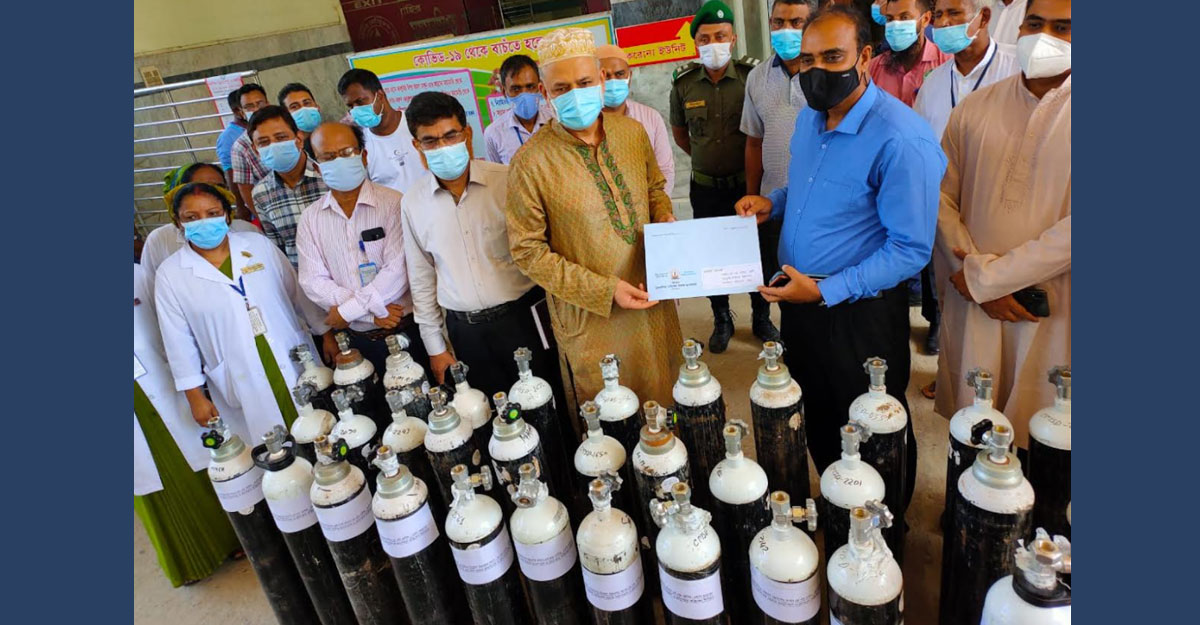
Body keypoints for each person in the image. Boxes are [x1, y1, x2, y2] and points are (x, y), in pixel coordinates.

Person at [735, 5, 946, 515]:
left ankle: (884, 528)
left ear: (865, 56)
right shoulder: (811, 120)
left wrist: (826, 290)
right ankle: (837, 506)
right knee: (821, 410)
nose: (817, 71)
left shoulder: (900, 139)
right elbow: (810, 189)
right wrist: (773, 202)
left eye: (833, 57)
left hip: (859, 312)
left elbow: (910, 248)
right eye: (808, 60)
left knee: (873, 424)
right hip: (801, 300)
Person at [505, 27, 683, 407]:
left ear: (601, 79)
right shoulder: (530, 163)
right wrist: (605, 290)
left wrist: (664, 216)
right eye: (561, 88)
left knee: (666, 393)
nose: (575, 94)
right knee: (610, 411)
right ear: (545, 94)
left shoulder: (632, 133)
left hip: (652, 293)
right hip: (592, 318)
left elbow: (654, 187)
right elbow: (527, 252)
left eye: (584, 82)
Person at [935, 0, 1070, 447]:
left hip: (1050, 305)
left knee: (1047, 434)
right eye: (1035, 23)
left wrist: (989, 279)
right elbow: (940, 197)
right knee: (974, 429)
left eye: (1063, 27)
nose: (1044, 36)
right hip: (972, 298)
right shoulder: (975, 108)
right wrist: (973, 274)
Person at [401, 91, 565, 401]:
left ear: (467, 134)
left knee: (548, 403)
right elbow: (421, 277)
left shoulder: (508, 181)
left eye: (450, 136)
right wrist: (435, 347)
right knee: (489, 413)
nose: (442, 147)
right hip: (466, 333)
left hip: (524, 319)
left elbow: (546, 248)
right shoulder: (413, 203)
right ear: (416, 146)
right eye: (430, 141)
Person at [155, 183, 329, 444]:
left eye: (212, 213)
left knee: (319, 430)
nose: (204, 222)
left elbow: (298, 294)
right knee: (273, 448)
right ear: (178, 223)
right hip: (237, 373)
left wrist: (326, 334)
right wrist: (195, 396)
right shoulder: (170, 274)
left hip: (289, 352)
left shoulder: (258, 245)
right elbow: (177, 341)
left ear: (227, 214)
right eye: (191, 217)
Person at [911, 0, 1019, 373]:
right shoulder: (933, 84)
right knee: (955, 307)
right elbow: (922, 152)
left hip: (1004, 215)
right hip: (947, 218)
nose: (943, 23)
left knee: (1004, 311)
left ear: (983, 16)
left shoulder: (1016, 68)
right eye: (939, 15)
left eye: (955, 13)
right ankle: (954, 381)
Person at [670, 0, 779, 354]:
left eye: (720, 36)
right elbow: (681, 135)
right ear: (695, 43)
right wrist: (707, 159)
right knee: (713, 258)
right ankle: (722, 319)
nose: (713, 44)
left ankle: (761, 317)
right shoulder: (684, 84)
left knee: (757, 255)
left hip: (748, 185)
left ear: (733, 39)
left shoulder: (752, 77)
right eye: (705, 38)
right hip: (705, 189)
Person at [297, 122, 432, 379]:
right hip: (355, 341)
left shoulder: (394, 203)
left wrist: (347, 311)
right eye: (328, 157)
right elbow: (312, 281)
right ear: (317, 166)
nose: (339, 161)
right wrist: (372, 315)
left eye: (347, 152)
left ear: (364, 155)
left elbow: (398, 270)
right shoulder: (310, 219)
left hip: (405, 331)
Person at [135, 262, 241, 587]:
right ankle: (186, 562)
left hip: (166, 383)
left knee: (203, 462)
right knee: (151, 482)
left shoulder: (137, 275)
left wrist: (194, 386)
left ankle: (235, 538)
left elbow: (171, 328)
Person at [743, 0, 817, 328]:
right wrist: (753, 194)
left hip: (817, 205)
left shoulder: (824, 75)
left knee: (817, 282)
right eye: (779, 22)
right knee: (782, 283)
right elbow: (753, 141)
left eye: (797, 22)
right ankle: (792, 343)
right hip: (772, 204)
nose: (786, 30)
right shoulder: (757, 77)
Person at [140, 163, 258, 277]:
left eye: (220, 187)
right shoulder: (160, 239)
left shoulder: (248, 231)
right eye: (202, 186)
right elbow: (149, 283)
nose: (211, 192)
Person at [249, 105, 328, 268]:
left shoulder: (329, 175)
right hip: (302, 279)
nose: (273, 146)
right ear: (256, 151)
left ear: (299, 139)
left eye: (281, 138)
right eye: (263, 142)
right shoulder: (261, 194)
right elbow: (278, 250)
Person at [596, 44, 675, 193]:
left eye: (619, 74)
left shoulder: (650, 117)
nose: (613, 81)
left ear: (630, 77)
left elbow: (665, 170)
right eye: (605, 76)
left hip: (648, 205)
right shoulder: (586, 124)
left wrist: (659, 205)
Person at [337, 69, 426, 195]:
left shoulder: (418, 125)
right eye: (351, 106)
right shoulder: (360, 144)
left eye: (360, 101)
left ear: (380, 95)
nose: (356, 110)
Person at [870, 0, 951, 106]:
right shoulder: (873, 68)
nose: (895, 25)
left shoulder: (947, 63)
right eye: (890, 19)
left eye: (904, 17)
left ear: (925, 19)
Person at [484, 54, 553, 165]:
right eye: (516, 89)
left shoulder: (557, 122)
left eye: (530, 87)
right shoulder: (494, 133)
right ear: (504, 92)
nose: (524, 94)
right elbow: (496, 173)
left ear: (539, 88)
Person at [230, 84, 271, 218]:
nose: (256, 109)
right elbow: (246, 190)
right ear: (242, 112)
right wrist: (263, 220)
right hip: (272, 210)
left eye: (260, 104)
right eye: (249, 107)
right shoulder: (240, 147)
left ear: (268, 104)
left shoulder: (288, 130)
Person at [215, 89, 248, 218]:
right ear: (237, 111)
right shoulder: (227, 138)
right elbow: (231, 175)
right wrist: (241, 207)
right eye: (249, 106)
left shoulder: (261, 128)